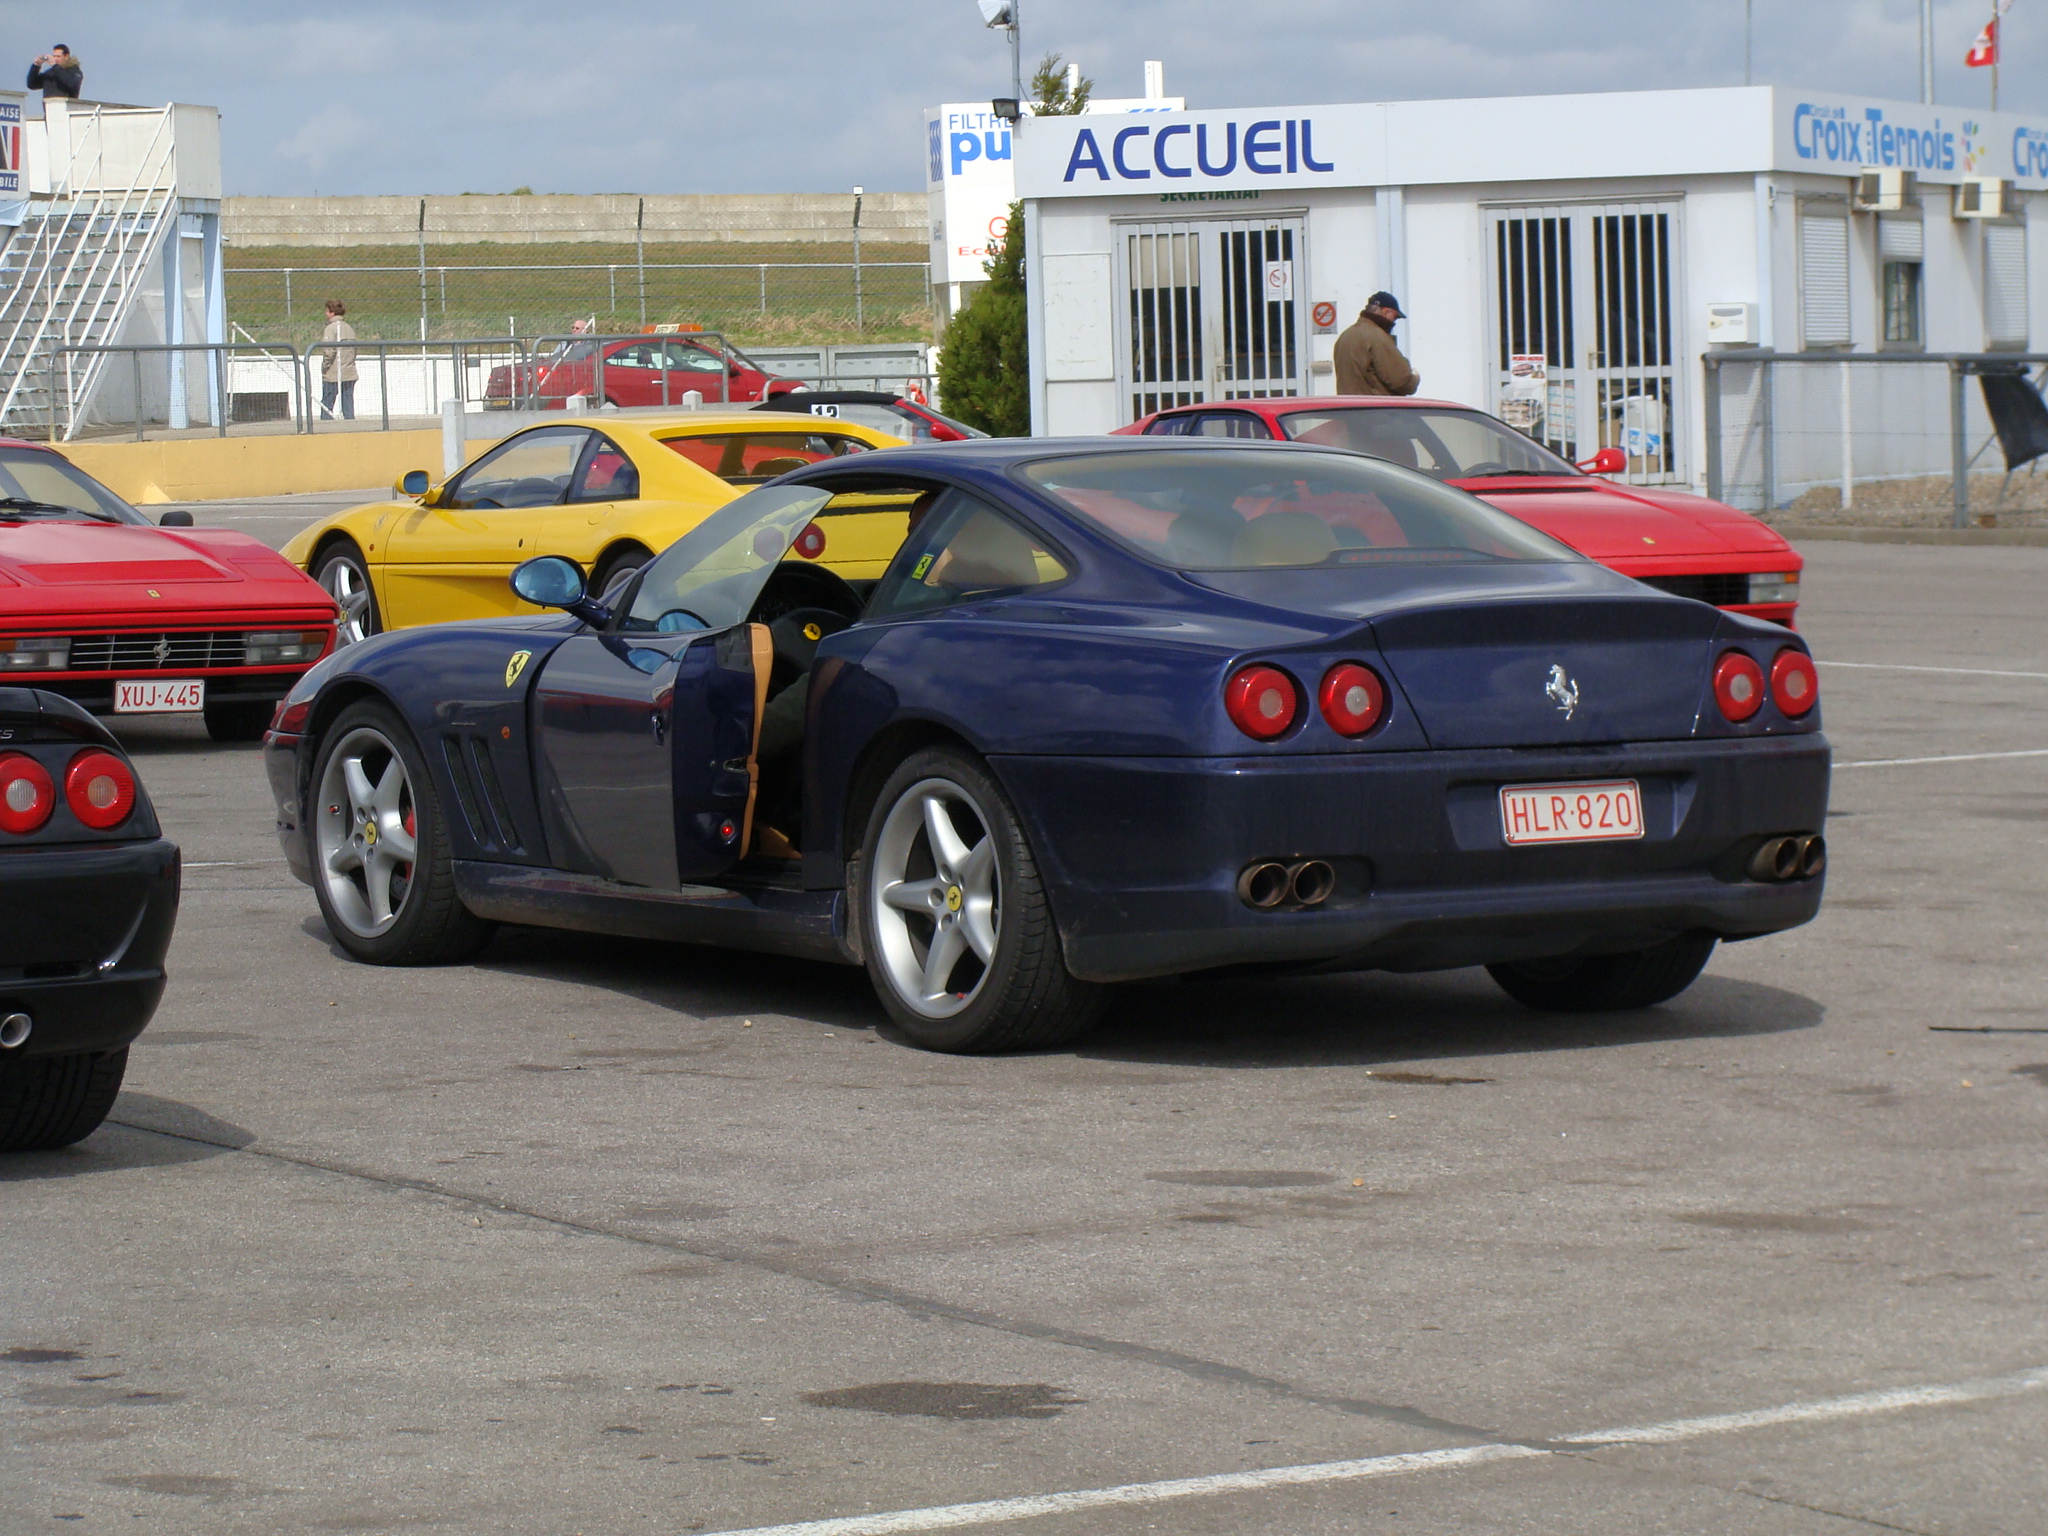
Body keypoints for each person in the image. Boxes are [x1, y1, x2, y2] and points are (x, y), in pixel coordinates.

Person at [1333, 290, 1419, 397]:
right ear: (1386, 312)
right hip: (1377, 410)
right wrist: (1415, 378)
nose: (1394, 322)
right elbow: (1401, 381)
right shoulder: (1378, 338)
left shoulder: (1345, 336)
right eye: (1395, 316)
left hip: (1348, 410)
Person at [318, 301, 358, 421]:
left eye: (327, 311)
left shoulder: (330, 329)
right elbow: (354, 350)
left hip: (333, 372)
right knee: (348, 402)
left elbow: (329, 351)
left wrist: (325, 367)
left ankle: (325, 427)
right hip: (349, 370)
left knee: (327, 402)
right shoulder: (349, 328)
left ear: (332, 313)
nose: (325, 314)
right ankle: (350, 427)